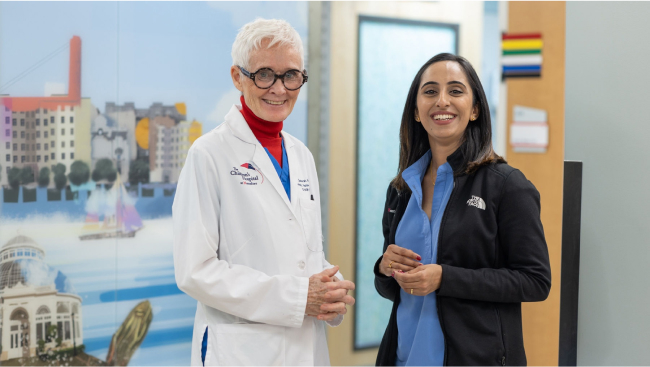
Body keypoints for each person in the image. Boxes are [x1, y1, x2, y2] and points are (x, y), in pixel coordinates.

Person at [173, 18, 355, 366]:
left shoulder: (301, 155)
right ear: (237, 77)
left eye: (291, 75)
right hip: (242, 351)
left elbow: (301, 251)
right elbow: (195, 271)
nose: (279, 88)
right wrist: (298, 297)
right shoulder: (208, 154)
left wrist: (329, 289)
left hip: (305, 346)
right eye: (264, 74)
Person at [374, 53, 551, 366]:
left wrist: (446, 278)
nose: (442, 101)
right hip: (403, 357)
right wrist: (385, 268)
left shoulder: (507, 186)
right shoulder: (400, 189)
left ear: (475, 109)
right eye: (430, 92)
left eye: (456, 91)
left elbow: (535, 281)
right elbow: (391, 289)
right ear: (416, 111)